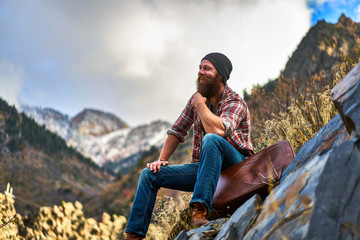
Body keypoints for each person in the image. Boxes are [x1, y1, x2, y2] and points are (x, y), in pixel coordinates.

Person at [124, 52, 254, 239]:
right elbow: (177, 131)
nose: (200, 72)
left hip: (236, 167)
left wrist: (200, 106)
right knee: (149, 175)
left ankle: (199, 212)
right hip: (206, 170)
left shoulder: (235, 102)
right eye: (199, 68)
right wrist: (161, 160)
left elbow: (218, 131)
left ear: (220, 76)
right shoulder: (197, 99)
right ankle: (133, 236)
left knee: (211, 140)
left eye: (207, 69)